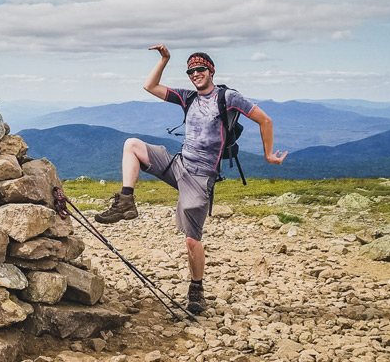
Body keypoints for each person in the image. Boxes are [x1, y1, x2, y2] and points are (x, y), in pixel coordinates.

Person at [95, 45, 287, 313]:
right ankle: (126, 201)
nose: (195, 74)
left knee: (191, 239)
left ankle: (196, 288)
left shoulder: (228, 97)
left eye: (200, 69)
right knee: (132, 145)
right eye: (191, 71)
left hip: (201, 176)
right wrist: (165, 60)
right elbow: (150, 86)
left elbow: (264, 120)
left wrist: (268, 155)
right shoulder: (188, 98)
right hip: (178, 164)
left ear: (211, 71)